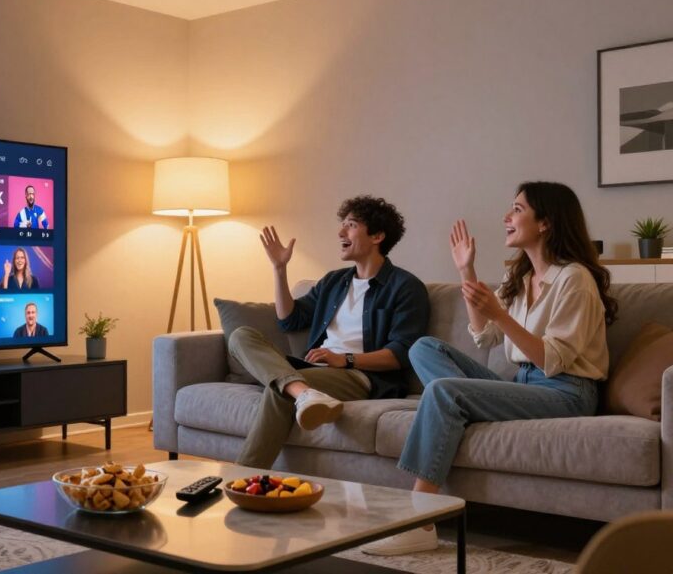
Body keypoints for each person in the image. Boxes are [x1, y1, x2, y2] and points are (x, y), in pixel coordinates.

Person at [361, 181, 616, 556]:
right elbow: (484, 336)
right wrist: (467, 270)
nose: (506, 217)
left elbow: (551, 359)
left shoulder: (574, 279)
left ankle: (419, 521)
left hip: (565, 392)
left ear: (545, 222)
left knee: (444, 391)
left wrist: (501, 315)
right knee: (423, 348)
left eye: (517, 209)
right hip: (525, 383)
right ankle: (456, 413)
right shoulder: (524, 277)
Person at [230, 196, 429, 470]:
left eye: (351, 225)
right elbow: (290, 320)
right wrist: (279, 270)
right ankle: (302, 392)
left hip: (361, 376)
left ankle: (241, 478)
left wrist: (345, 359)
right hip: (314, 368)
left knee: (278, 391)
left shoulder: (405, 287)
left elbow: (401, 353)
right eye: (342, 225)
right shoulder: (334, 281)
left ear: (378, 236)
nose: (340, 233)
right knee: (241, 335)